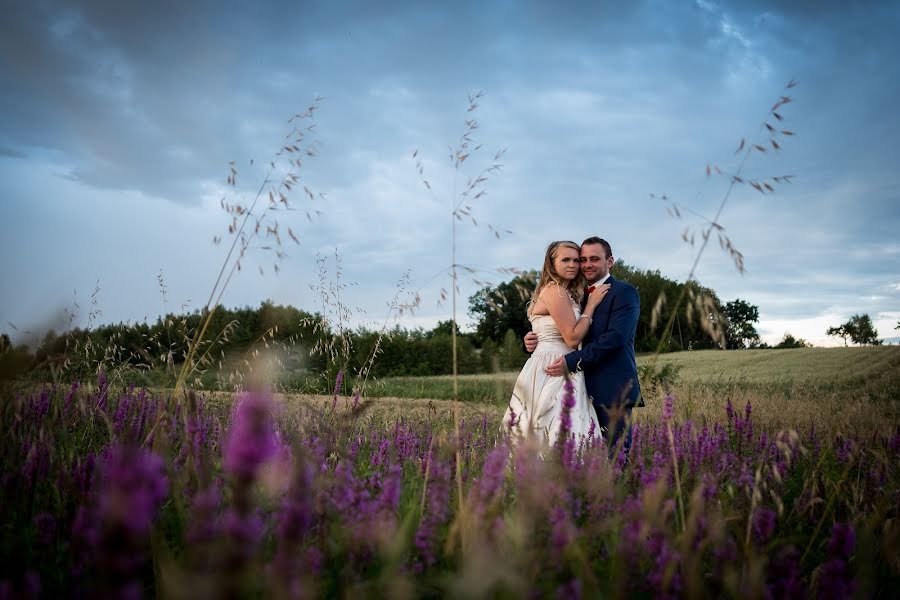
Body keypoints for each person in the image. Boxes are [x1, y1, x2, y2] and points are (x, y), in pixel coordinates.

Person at [526, 237, 642, 457]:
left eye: (594, 259)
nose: (586, 264)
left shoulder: (624, 293)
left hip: (610, 388)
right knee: (572, 453)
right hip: (574, 386)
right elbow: (559, 330)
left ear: (610, 261)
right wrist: (533, 340)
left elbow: (615, 339)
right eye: (583, 259)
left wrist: (570, 362)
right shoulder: (576, 295)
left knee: (616, 458)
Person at [502, 241, 609, 445]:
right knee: (555, 425)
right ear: (552, 264)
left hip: (564, 362)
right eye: (565, 260)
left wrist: (531, 339)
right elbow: (572, 338)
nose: (572, 264)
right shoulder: (555, 291)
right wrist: (592, 305)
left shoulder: (568, 293)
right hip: (553, 366)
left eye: (576, 260)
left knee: (563, 426)